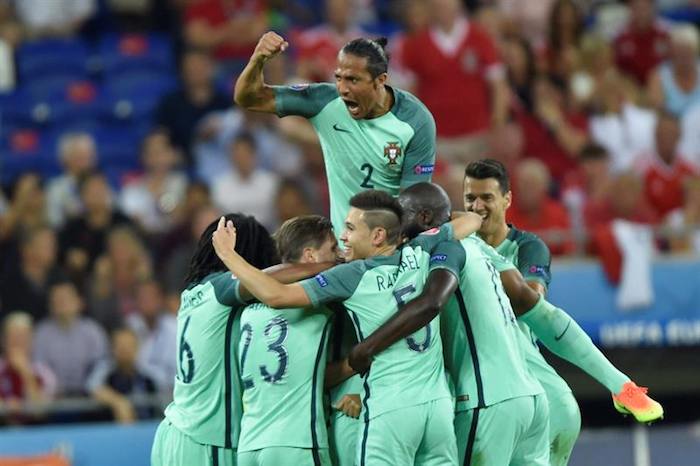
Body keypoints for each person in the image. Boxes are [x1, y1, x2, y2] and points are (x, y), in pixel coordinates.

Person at [348, 181, 665, 465]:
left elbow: (424, 305)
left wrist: (364, 350)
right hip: (536, 403)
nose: (396, 229)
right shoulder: (483, 250)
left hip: (485, 402)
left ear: (426, 220)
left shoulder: (425, 254)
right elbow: (545, 316)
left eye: (401, 218)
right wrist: (617, 382)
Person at [212, 190, 482, 466]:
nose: (343, 238)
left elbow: (277, 296)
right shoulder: (421, 249)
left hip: (390, 407)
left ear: (377, 236)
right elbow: (471, 219)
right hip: (437, 408)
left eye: (350, 228)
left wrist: (228, 255)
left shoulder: (352, 275)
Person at [151, 213, 330, 466]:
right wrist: (332, 267)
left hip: (173, 430)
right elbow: (267, 279)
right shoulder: (222, 289)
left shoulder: (194, 292)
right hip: (207, 437)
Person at [234, 32, 437, 236]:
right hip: (344, 249)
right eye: (338, 78)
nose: (343, 89)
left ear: (380, 81)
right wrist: (258, 59)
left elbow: (413, 205)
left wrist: (380, 249)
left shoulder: (415, 121)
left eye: (353, 80)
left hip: (391, 248)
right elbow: (249, 98)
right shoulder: (324, 101)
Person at [237, 215, 341, 466]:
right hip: (296, 442)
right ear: (310, 256)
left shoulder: (249, 310)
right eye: (333, 248)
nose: (340, 254)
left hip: (249, 444)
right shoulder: (318, 298)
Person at [34, 279, 109, 397]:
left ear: (78, 302)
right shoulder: (41, 333)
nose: (62, 303)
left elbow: (101, 363)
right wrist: (52, 387)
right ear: (50, 305)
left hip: (89, 396)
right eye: (57, 300)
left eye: (66, 299)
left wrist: (91, 385)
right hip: (52, 397)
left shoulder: (93, 331)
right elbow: (39, 366)